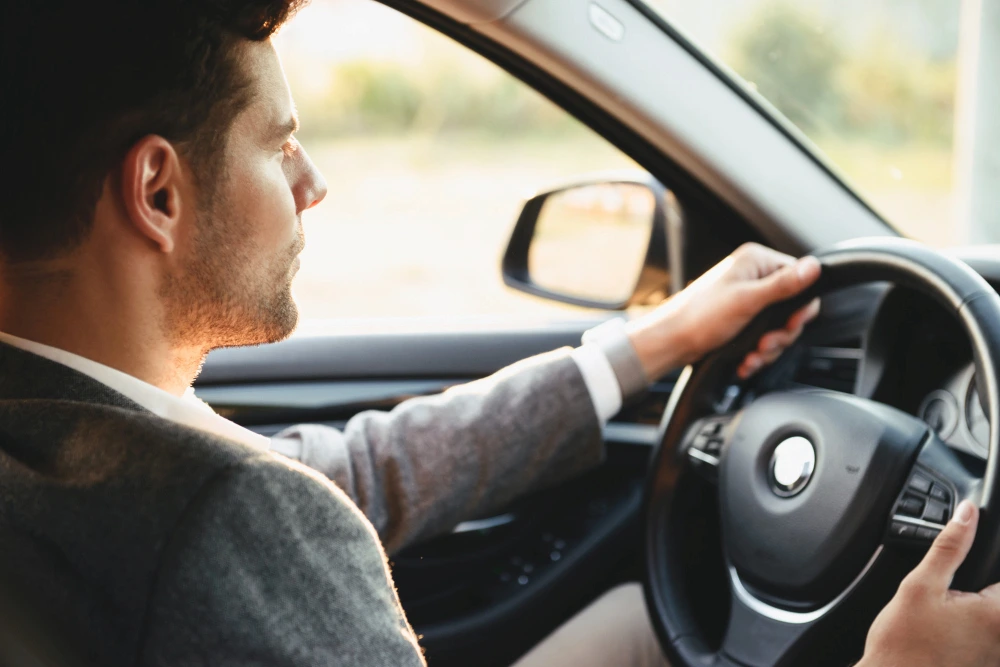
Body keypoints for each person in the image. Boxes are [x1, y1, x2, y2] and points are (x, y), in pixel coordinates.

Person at [1, 1, 998, 666]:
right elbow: (281, 503)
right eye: (282, 145)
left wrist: (651, 344)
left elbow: (350, 471)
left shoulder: (82, 450)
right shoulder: (217, 524)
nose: (314, 186)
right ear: (159, 191)